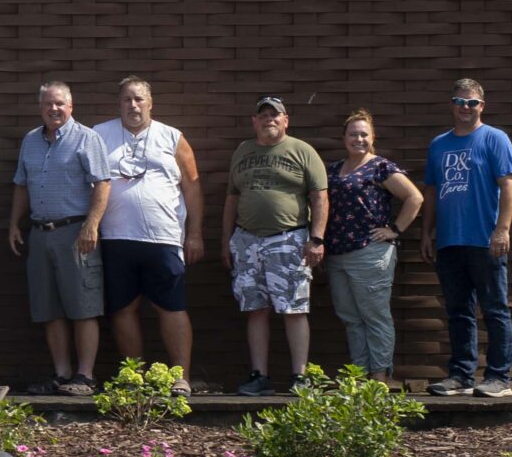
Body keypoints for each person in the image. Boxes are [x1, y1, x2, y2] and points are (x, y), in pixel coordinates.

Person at [91, 78, 203, 399]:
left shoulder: (172, 137)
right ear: (119, 103)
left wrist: (194, 232)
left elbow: (192, 186)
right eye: (127, 99)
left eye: (139, 99)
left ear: (150, 103)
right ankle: (134, 378)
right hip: (115, 238)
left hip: (164, 239)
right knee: (123, 308)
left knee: (172, 306)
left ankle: (181, 377)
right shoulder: (100, 134)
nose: (133, 105)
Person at [5, 80, 110, 397]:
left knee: (83, 306)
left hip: (76, 233)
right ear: (41, 107)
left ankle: (85, 376)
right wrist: (14, 224)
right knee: (48, 307)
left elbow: (102, 184)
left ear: (71, 106)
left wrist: (92, 224)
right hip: (39, 233)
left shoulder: (86, 138)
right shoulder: (31, 141)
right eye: (49, 104)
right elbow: (21, 185)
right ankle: (63, 374)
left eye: (60, 103)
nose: (54, 109)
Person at [221, 94, 329, 396]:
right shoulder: (243, 151)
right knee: (255, 308)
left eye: (275, 115)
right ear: (254, 121)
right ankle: (259, 375)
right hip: (246, 239)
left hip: (288, 238)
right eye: (263, 115)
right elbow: (232, 198)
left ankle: (299, 377)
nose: (269, 119)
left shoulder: (302, 151)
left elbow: (319, 197)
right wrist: (225, 241)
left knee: (294, 307)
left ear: (286, 120)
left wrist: (317, 238)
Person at [423, 78, 512, 398]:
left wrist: (502, 229)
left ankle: (498, 377)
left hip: (485, 239)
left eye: (472, 102)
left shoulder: (495, 139)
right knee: (458, 311)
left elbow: (509, 185)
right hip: (450, 241)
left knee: (494, 308)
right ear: (451, 105)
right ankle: (461, 375)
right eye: (459, 101)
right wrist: (427, 233)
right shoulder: (439, 144)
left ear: (482, 106)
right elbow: (433, 192)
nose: (465, 108)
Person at [328, 109, 422, 384]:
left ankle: (379, 378)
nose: (358, 139)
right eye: (352, 134)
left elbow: (414, 198)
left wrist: (394, 229)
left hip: (370, 252)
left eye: (363, 134)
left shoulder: (380, 167)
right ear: (344, 138)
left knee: (374, 316)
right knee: (350, 317)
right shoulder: (333, 169)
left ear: (372, 137)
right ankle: (359, 377)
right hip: (337, 254)